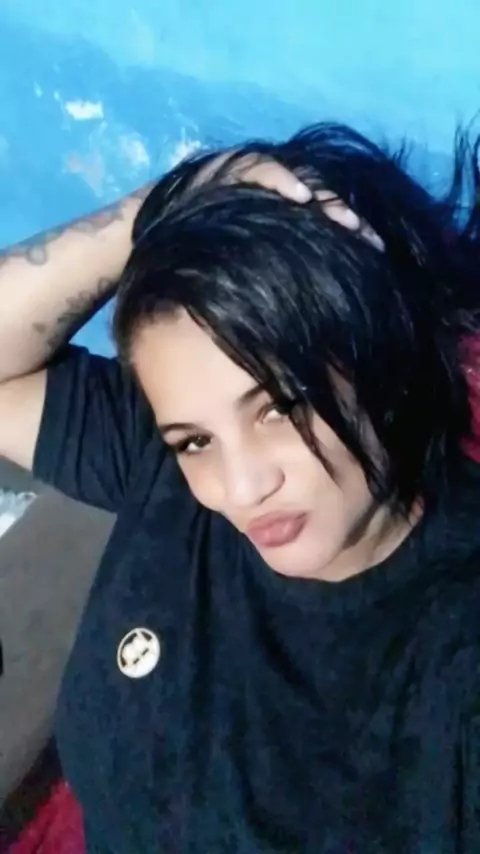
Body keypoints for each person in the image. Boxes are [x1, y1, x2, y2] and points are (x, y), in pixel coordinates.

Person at [1, 122, 480, 853]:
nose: (242, 486)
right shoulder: (161, 468)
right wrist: (153, 209)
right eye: (194, 439)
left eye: (282, 407)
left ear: (386, 354)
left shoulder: (454, 658)